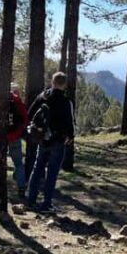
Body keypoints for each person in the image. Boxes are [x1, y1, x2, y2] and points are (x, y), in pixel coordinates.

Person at [26, 72, 74, 213]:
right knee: (52, 173)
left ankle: (31, 200)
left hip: (43, 139)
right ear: (64, 84)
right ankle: (46, 204)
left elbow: (30, 114)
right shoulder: (66, 101)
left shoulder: (43, 97)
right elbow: (70, 122)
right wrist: (70, 137)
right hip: (58, 140)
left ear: (52, 82)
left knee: (37, 168)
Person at [0, 82, 29, 197]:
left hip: (2, 137)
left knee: (0, 162)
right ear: (16, 91)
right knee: (18, 163)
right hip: (14, 136)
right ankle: (21, 187)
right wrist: (19, 131)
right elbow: (25, 119)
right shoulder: (18, 102)